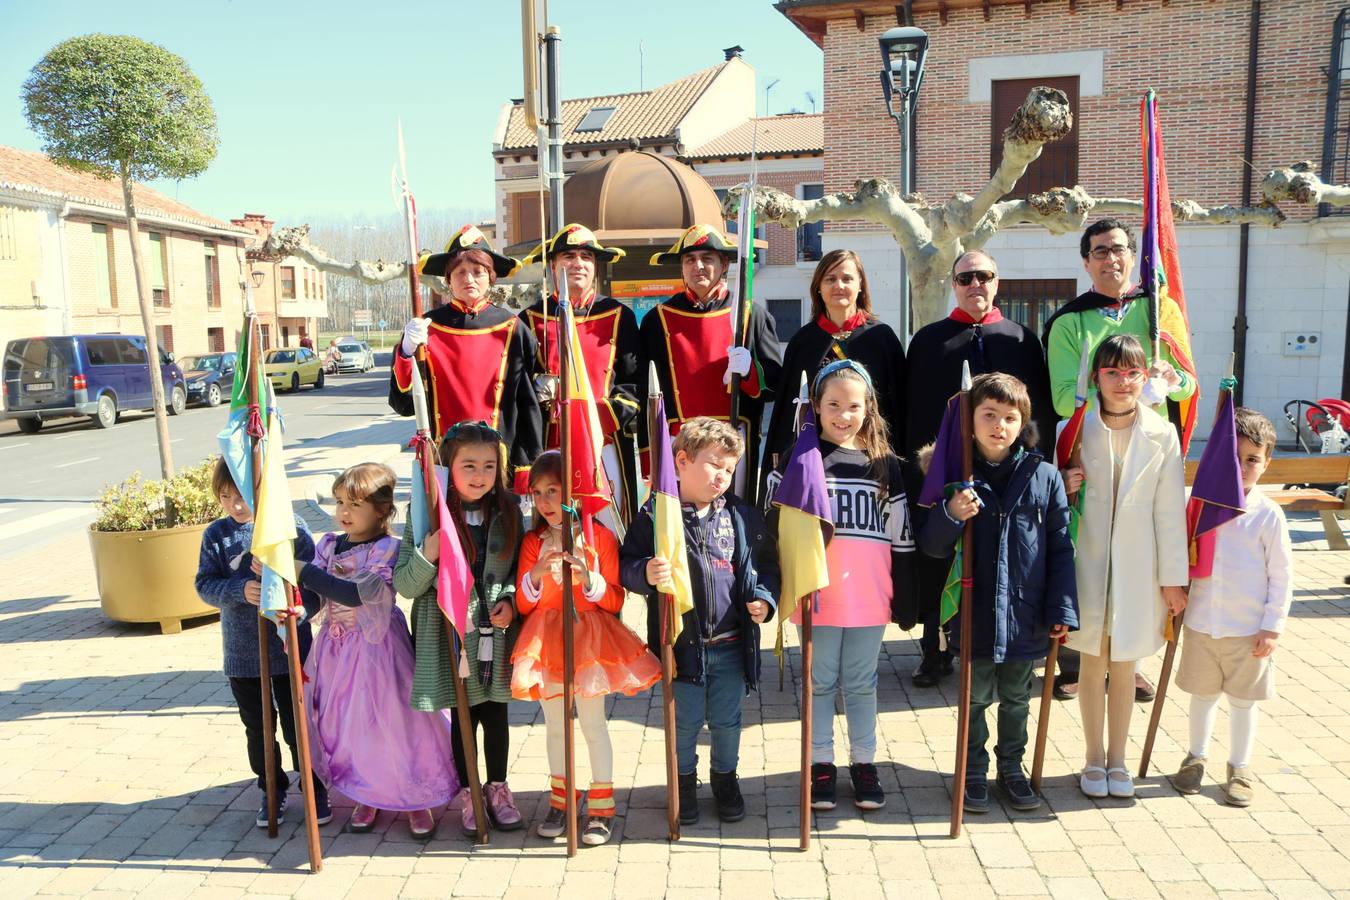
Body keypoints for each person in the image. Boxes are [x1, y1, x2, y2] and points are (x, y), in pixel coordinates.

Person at [1043, 219, 1197, 703]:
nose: (1111, 258)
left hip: (1147, 450)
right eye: (1100, 251)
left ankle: (1129, 661)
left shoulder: (1160, 311)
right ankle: (1082, 659)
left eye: (1119, 249)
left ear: (1133, 255)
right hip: (1093, 446)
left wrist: (1166, 381)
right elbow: (1065, 398)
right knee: (1086, 552)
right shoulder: (1070, 321)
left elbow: (1189, 384)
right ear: (1086, 261)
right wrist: (1121, 395)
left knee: (1136, 554)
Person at [917, 373, 1078, 815]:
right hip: (975, 612)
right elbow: (931, 546)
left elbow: (1062, 546)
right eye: (988, 415)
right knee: (974, 697)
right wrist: (951, 515)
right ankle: (971, 771)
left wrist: (1062, 607)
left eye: (1010, 417)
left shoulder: (1043, 475)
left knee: (1016, 699)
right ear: (970, 420)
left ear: (1022, 423)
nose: (998, 426)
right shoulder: (955, 476)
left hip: (1026, 612)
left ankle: (1011, 769)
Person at [766, 360, 917, 812]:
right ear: (816, 406)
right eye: (832, 404)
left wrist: (906, 598)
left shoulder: (886, 465)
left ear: (868, 409)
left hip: (870, 595)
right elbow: (774, 533)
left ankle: (865, 762)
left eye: (854, 406)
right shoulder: (799, 462)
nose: (843, 414)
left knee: (862, 681)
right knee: (819, 679)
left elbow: (902, 535)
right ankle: (820, 763)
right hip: (819, 593)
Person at [904, 249, 1055, 689]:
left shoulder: (1022, 339)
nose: (976, 284)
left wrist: (1034, 462)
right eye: (966, 277)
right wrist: (922, 471)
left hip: (1008, 470)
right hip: (945, 470)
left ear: (997, 281)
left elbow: (1039, 409)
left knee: (1003, 559)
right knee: (938, 557)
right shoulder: (930, 340)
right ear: (954, 284)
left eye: (984, 276)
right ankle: (934, 648)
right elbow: (915, 410)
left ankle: (1003, 644)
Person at [620, 416, 780, 824]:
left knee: (728, 722)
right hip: (683, 646)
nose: (722, 477)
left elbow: (764, 566)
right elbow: (627, 563)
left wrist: (764, 598)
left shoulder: (741, 515)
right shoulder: (658, 514)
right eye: (713, 464)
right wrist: (644, 574)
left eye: (729, 469)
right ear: (682, 461)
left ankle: (725, 778)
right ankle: (684, 782)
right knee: (685, 723)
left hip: (731, 644)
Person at [291, 463, 457, 839]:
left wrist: (303, 570)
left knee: (396, 724)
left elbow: (357, 594)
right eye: (338, 503)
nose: (343, 513)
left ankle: (415, 798)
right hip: (335, 652)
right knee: (353, 726)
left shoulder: (388, 549)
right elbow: (317, 599)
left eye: (354, 504)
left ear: (382, 510)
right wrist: (293, 601)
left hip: (379, 651)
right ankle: (369, 792)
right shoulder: (328, 545)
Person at [1059, 335, 1188, 800]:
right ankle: (1093, 758)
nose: (1123, 381)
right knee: (1092, 663)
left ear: (1144, 377)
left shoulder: (1162, 433)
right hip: (1087, 565)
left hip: (1138, 568)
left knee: (1126, 662)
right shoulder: (1074, 429)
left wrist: (1173, 580)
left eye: (1132, 372)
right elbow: (1056, 502)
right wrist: (1065, 482)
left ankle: (1119, 759)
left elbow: (1170, 512)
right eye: (1112, 372)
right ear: (1096, 377)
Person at [512, 451, 661, 845]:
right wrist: (537, 575)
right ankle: (562, 798)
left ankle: (602, 804)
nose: (545, 502)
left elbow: (612, 600)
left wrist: (587, 576)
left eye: (554, 491)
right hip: (545, 643)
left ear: (575, 493)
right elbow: (525, 605)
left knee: (593, 725)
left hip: (590, 641)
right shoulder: (532, 542)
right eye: (538, 493)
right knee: (556, 727)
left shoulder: (601, 539)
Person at [393, 421, 526, 834]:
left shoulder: (508, 513)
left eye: (489, 466)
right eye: (469, 465)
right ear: (448, 466)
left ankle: (498, 787)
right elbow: (405, 584)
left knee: (496, 712)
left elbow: (515, 571)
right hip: (446, 630)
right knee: (464, 712)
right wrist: (428, 554)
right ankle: (468, 790)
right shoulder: (429, 515)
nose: (479, 475)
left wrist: (509, 601)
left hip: (494, 633)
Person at [194, 458, 329, 828]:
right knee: (257, 725)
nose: (236, 505)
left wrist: (292, 598)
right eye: (225, 497)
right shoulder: (216, 536)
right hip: (242, 652)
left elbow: (315, 585)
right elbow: (204, 585)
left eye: (243, 496)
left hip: (289, 648)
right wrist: (241, 589)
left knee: (298, 723)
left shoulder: (291, 529)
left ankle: (314, 784)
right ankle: (272, 786)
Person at [1171, 408, 1293, 807]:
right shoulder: (1200, 506)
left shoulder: (1268, 515)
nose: (1242, 468)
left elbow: (1282, 575)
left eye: (1253, 459)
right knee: (1202, 696)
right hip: (1204, 624)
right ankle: (1195, 756)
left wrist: (1272, 626)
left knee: (1243, 701)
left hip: (1248, 630)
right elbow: (1180, 557)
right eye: (1233, 458)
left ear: (1267, 461)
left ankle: (1239, 767)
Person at [391, 225, 543, 491]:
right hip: (443, 461)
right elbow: (404, 404)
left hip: (498, 461)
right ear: (448, 280)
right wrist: (405, 352)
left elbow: (527, 403)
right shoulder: (427, 328)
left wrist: (527, 464)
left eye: (477, 271)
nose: (469, 278)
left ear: (490, 278)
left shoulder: (512, 328)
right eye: (460, 272)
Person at [639, 225, 783, 503]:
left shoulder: (751, 315)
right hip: (678, 442)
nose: (698, 266)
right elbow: (647, 393)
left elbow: (774, 383)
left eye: (707, 258)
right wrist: (649, 456)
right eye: (690, 260)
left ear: (725, 264)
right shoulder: (656, 321)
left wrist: (750, 372)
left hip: (733, 439)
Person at [520, 225, 643, 528]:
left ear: (594, 266)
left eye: (586, 257)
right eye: (568, 256)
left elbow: (633, 384)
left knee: (607, 527)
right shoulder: (531, 319)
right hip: (551, 443)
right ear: (552, 265)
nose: (577, 263)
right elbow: (518, 388)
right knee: (552, 528)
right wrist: (537, 389)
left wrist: (596, 415)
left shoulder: (618, 316)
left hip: (604, 443)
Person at [764, 249, 906, 479]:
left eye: (847, 278)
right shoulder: (803, 342)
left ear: (861, 285)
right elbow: (785, 416)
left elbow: (897, 409)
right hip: (814, 462)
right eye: (830, 279)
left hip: (872, 460)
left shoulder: (882, 338)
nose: (838, 285)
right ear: (818, 287)